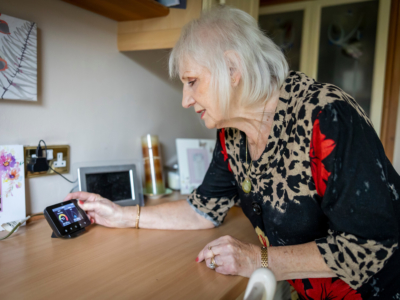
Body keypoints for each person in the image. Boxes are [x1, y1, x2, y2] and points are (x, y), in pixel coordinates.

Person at [65, 7, 400, 299]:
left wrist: (259, 259)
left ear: (232, 69)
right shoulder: (231, 135)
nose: (185, 99)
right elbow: (203, 210)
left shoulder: (327, 116)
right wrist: (123, 216)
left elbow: (370, 244)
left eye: (192, 81)